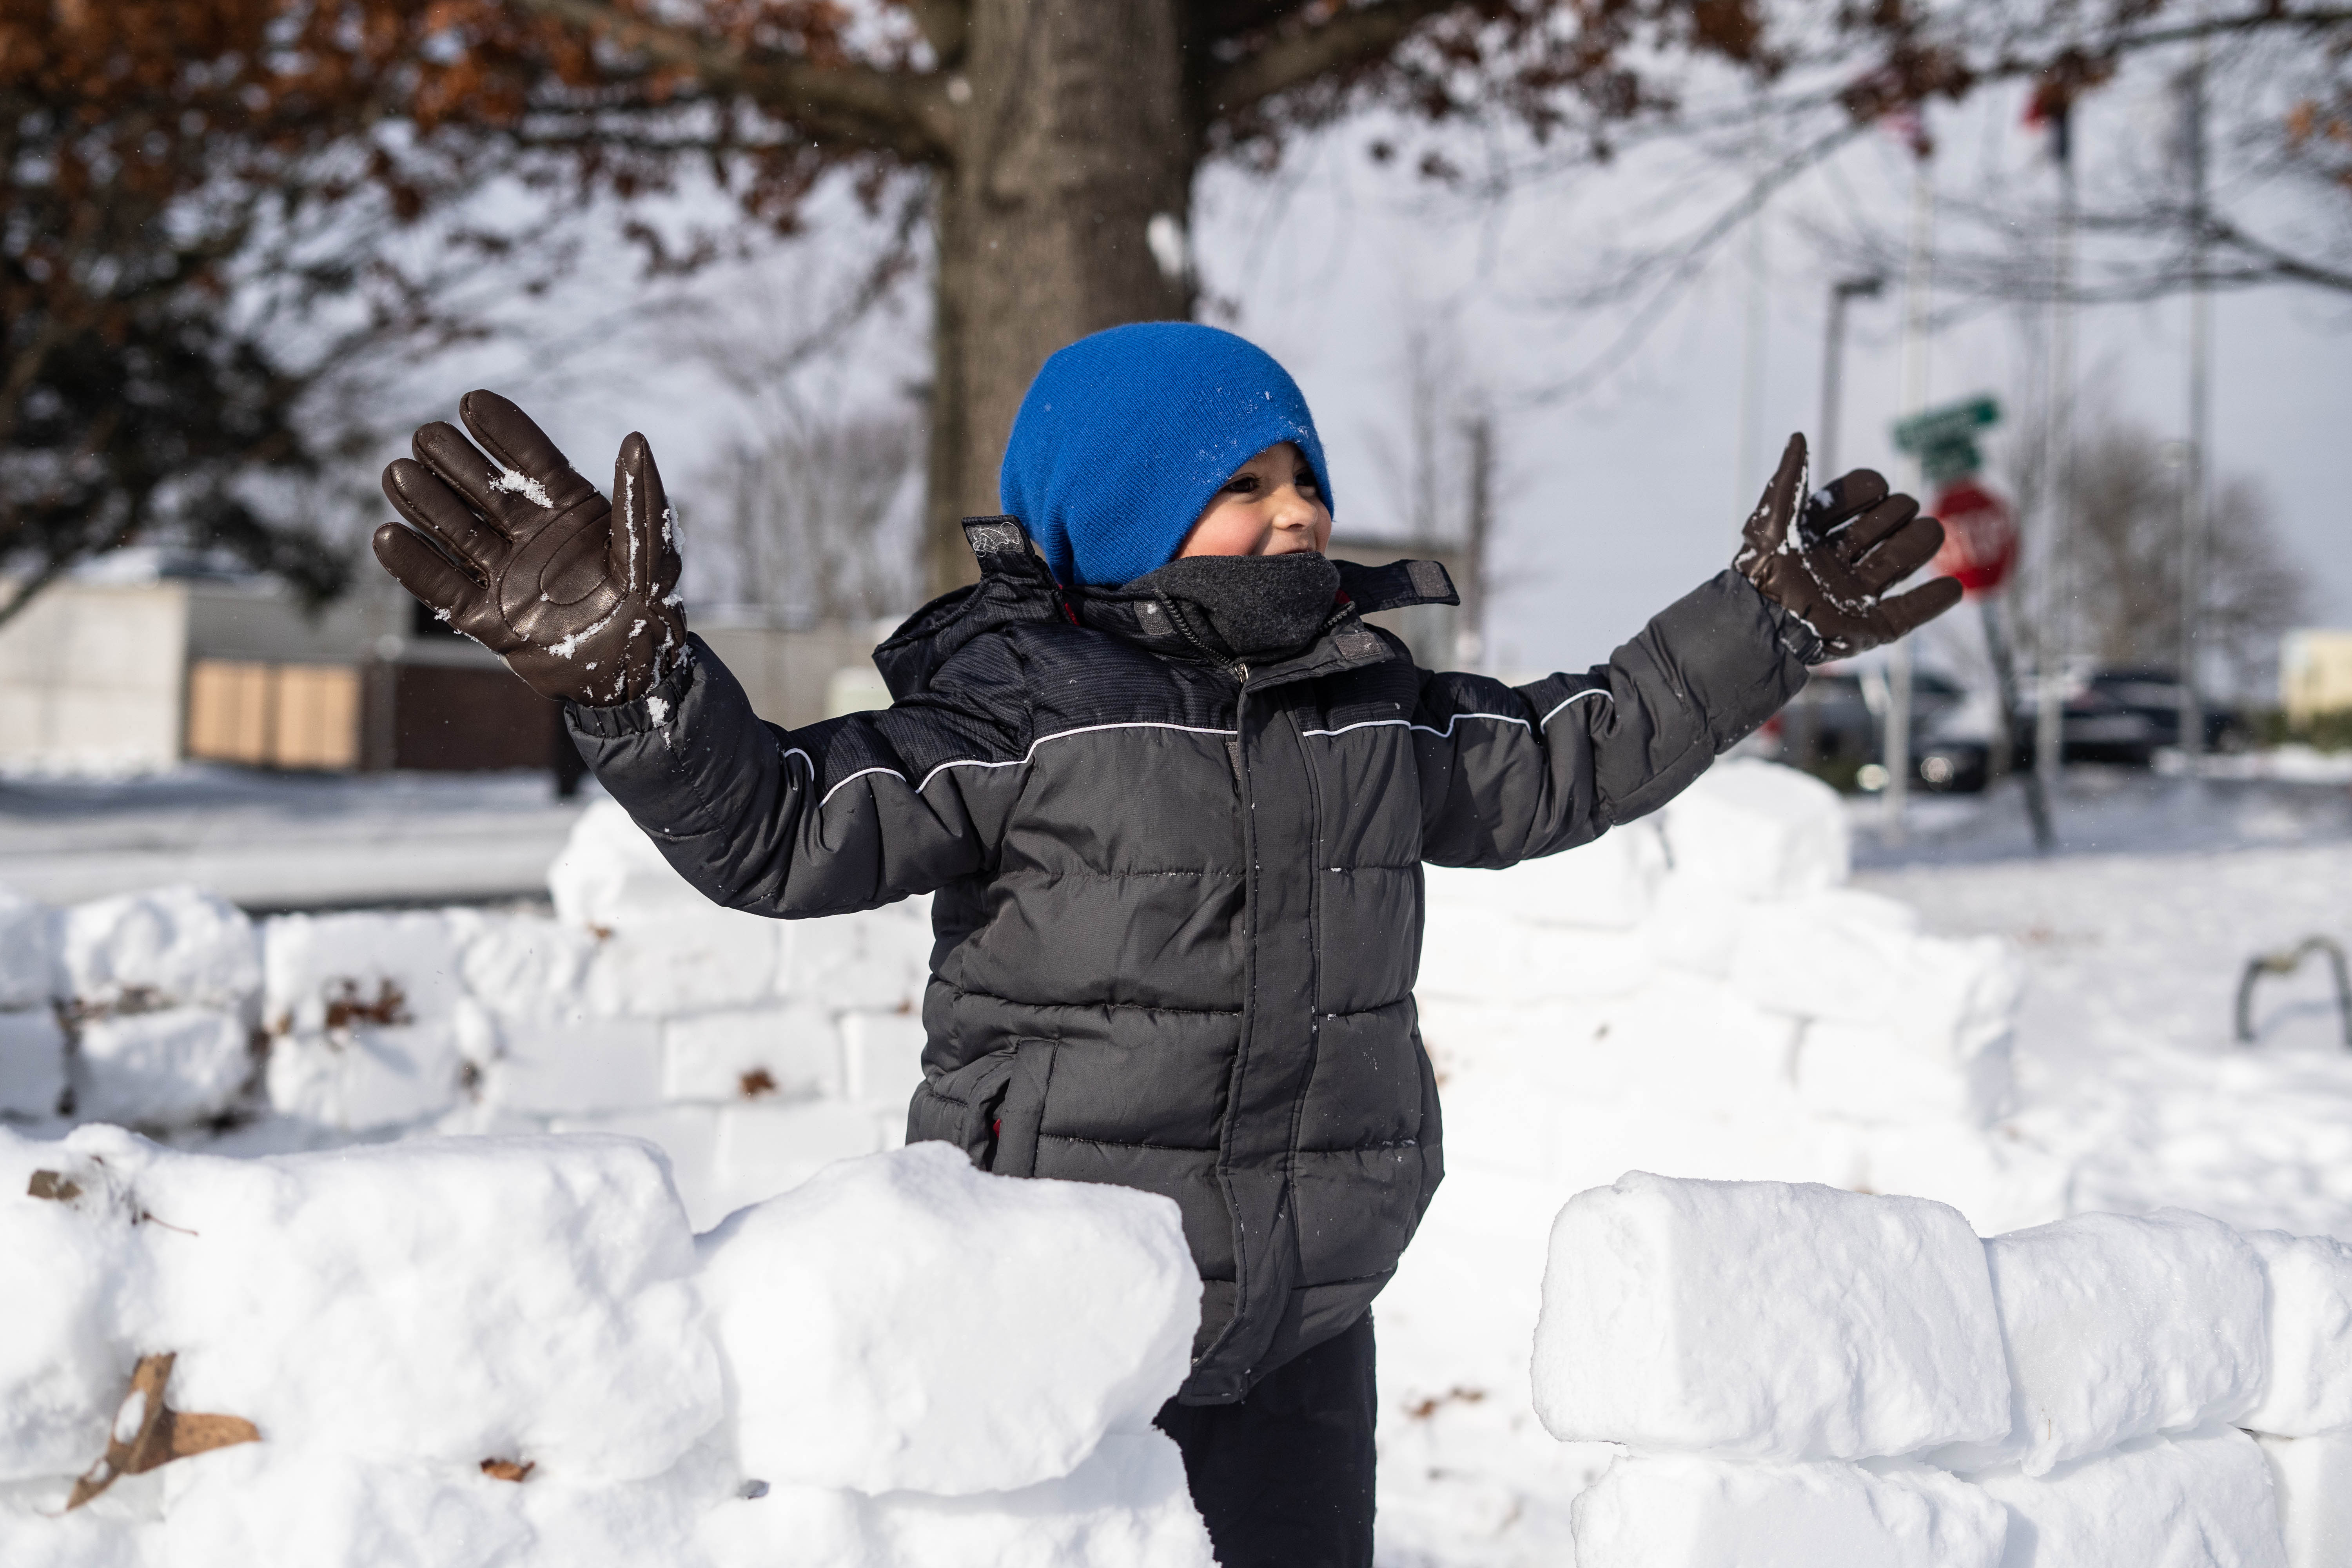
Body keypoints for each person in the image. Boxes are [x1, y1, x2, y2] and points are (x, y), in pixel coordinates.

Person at [371, 322, 1959, 1567]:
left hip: (1306, 1318)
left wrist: (1767, 621)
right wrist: (635, 682)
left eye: (1304, 476)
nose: (1300, 511)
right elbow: (782, 827)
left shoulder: (1369, 702)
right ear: (1125, 510)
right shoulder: (1020, 715)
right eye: (1247, 482)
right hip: (1061, 1316)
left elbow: (1572, 752)